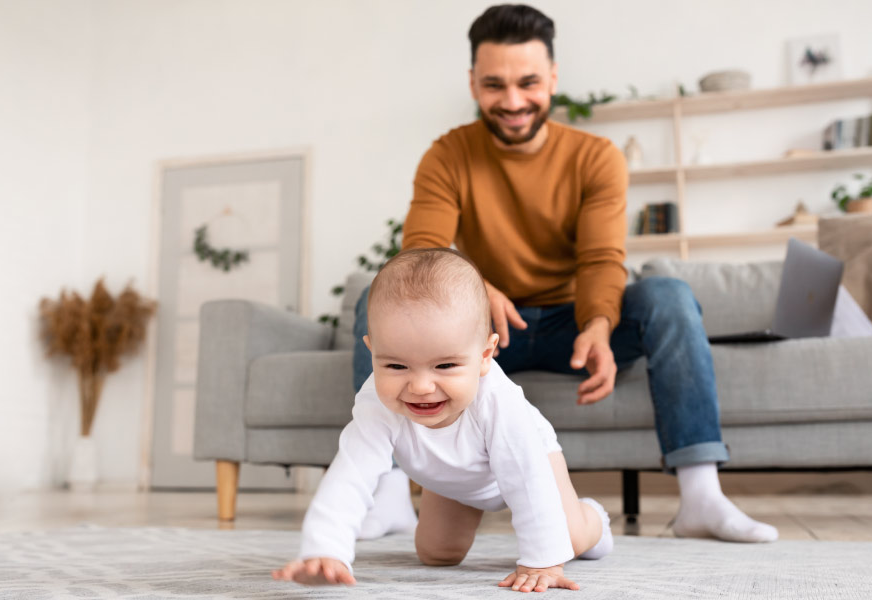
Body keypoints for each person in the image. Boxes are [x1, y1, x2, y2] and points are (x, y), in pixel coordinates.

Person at [352, 4, 777, 544]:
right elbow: (422, 249)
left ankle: (701, 497)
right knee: (377, 297)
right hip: (486, 332)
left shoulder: (596, 157)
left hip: (569, 326)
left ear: (552, 78)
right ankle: (388, 494)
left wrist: (599, 326)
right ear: (473, 83)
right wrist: (478, 290)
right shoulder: (447, 155)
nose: (513, 101)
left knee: (668, 295)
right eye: (494, 85)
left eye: (528, 83)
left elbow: (601, 260)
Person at [273, 248, 612, 592]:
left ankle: (594, 520)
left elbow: (527, 477)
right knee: (437, 553)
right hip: (451, 477)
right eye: (396, 366)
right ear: (372, 350)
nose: (420, 387)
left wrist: (542, 561)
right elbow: (351, 473)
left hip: (529, 462)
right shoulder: (376, 402)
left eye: (445, 366)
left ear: (485, 355)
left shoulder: (498, 401)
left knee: (568, 538)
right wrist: (326, 551)